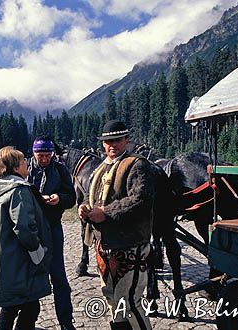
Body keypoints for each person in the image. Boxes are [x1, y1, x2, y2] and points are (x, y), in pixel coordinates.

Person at [78, 120, 156, 330]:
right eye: (107, 141)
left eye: (117, 140)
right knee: (112, 298)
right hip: (103, 246)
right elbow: (89, 196)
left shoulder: (138, 165)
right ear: (102, 143)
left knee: (130, 301)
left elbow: (140, 199)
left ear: (126, 140)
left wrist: (105, 213)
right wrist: (84, 207)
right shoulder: (100, 168)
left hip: (130, 245)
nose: (112, 144)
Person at [0, 146, 53, 330]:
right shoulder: (18, 190)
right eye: (24, 162)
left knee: (12, 306)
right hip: (19, 260)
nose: (27, 165)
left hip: (3, 259)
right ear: (15, 168)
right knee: (28, 306)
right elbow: (24, 226)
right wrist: (37, 250)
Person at [27, 137, 77, 330]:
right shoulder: (25, 169)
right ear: (34, 153)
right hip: (31, 230)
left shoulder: (60, 170)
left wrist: (59, 198)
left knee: (59, 277)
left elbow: (71, 197)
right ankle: (28, 322)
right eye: (41, 156)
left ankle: (66, 322)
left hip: (53, 228)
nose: (45, 159)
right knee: (30, 277)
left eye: (48, 155)